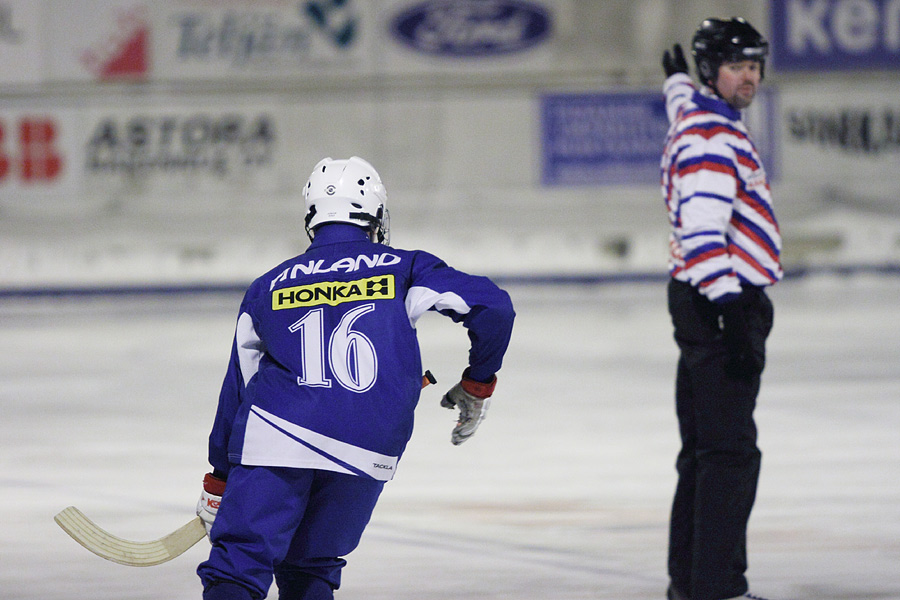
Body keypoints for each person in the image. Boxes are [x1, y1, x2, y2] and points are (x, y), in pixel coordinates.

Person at [194, 156, 515, 600]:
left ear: (311, 218)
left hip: (278, 435)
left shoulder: (266, 286)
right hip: (367, 446)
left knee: (237, 570)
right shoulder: (405, 267)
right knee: (310, 568)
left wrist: (218, 480)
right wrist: (478, 382)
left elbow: (240, 387)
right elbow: (494, 307)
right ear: (377, 215)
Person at [659, 18, 782, 600]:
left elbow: (683, 102)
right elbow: (704, 231)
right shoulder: (712, 139)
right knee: (730, 454)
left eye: (755, 66)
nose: (750, 78)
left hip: (700, 300)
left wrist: (676, 83)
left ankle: (691, 582)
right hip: (718, 301)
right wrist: (732, 308)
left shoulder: (699, 115)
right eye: (738, 66)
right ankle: (716, 588)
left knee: (705, 451)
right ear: (714, 72)